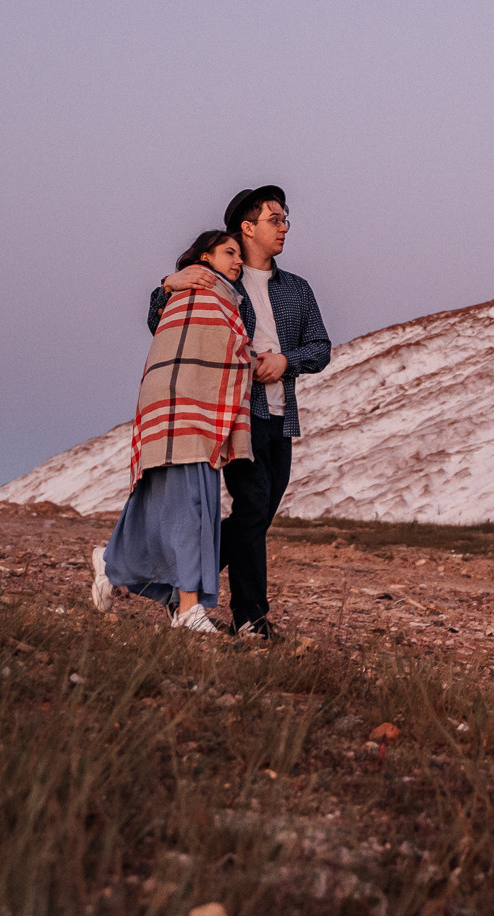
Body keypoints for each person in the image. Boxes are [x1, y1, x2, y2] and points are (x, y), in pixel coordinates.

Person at [152, 185, 330, 638]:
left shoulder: (297, 288)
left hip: (280, 416)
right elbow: (160, 318)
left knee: (258, 514)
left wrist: (286, 360)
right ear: (247, 227)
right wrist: (168, 283)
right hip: (236, 415)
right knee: (251, 506)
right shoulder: (219, 281)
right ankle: (251, 618)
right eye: (275, 219)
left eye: (286, 219)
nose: (284, 227)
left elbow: (321, 347)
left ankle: (180, 590)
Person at [91, 227, 254, 634]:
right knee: (190, 506)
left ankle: (112, 564)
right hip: (181, 403)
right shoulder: (194, 291)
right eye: (229, 252)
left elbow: (223, 347)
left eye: (239, 255)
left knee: (167, 502)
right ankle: (187, 609)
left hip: (192, 406)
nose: (238, 261)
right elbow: (188, 340)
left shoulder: (227, 298)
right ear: (204, 257)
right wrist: (168, 283)